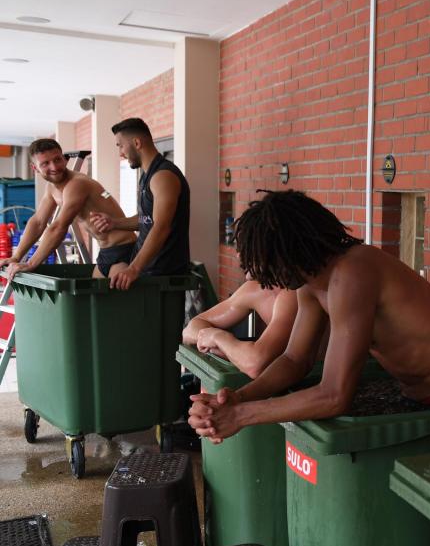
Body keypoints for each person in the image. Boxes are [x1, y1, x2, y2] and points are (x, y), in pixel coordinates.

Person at [188, 190, 430, 441]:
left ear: (296, 249)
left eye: (273, 265)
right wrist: (237, 399)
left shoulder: (352, 273)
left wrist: (242, 417)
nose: (264, 278)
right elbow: (294, 360)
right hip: (421, 399)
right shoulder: (311, 283)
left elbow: (334, 396)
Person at [1, 139, 136, 279]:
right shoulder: (51, 188)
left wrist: (31, 264)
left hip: (124, 249)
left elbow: (59, 227)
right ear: (35, 168)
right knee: (94, 298)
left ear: (64, 160)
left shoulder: (77, 184)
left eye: (57, 159)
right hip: (105, 251)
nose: (54, 167)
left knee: (112, 299)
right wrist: (16, 257)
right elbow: (38, 222)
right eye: (45, 163)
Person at [88, 118, 190, 289]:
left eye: (120, 145)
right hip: (147, 269)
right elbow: (146, 219)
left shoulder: (163, 176)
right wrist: (115, 223)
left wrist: (133, 268)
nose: (120, 152)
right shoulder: (147, 176)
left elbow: (161, 227)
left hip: (162, 274)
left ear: (136, 142)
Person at [182, 278, 298, 379]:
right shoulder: (254, 288)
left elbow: (254, 364)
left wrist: (218, 338)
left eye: (244, 251)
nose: (238, 255)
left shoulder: (295, 293)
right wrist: (226, 347)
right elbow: (189, 330)